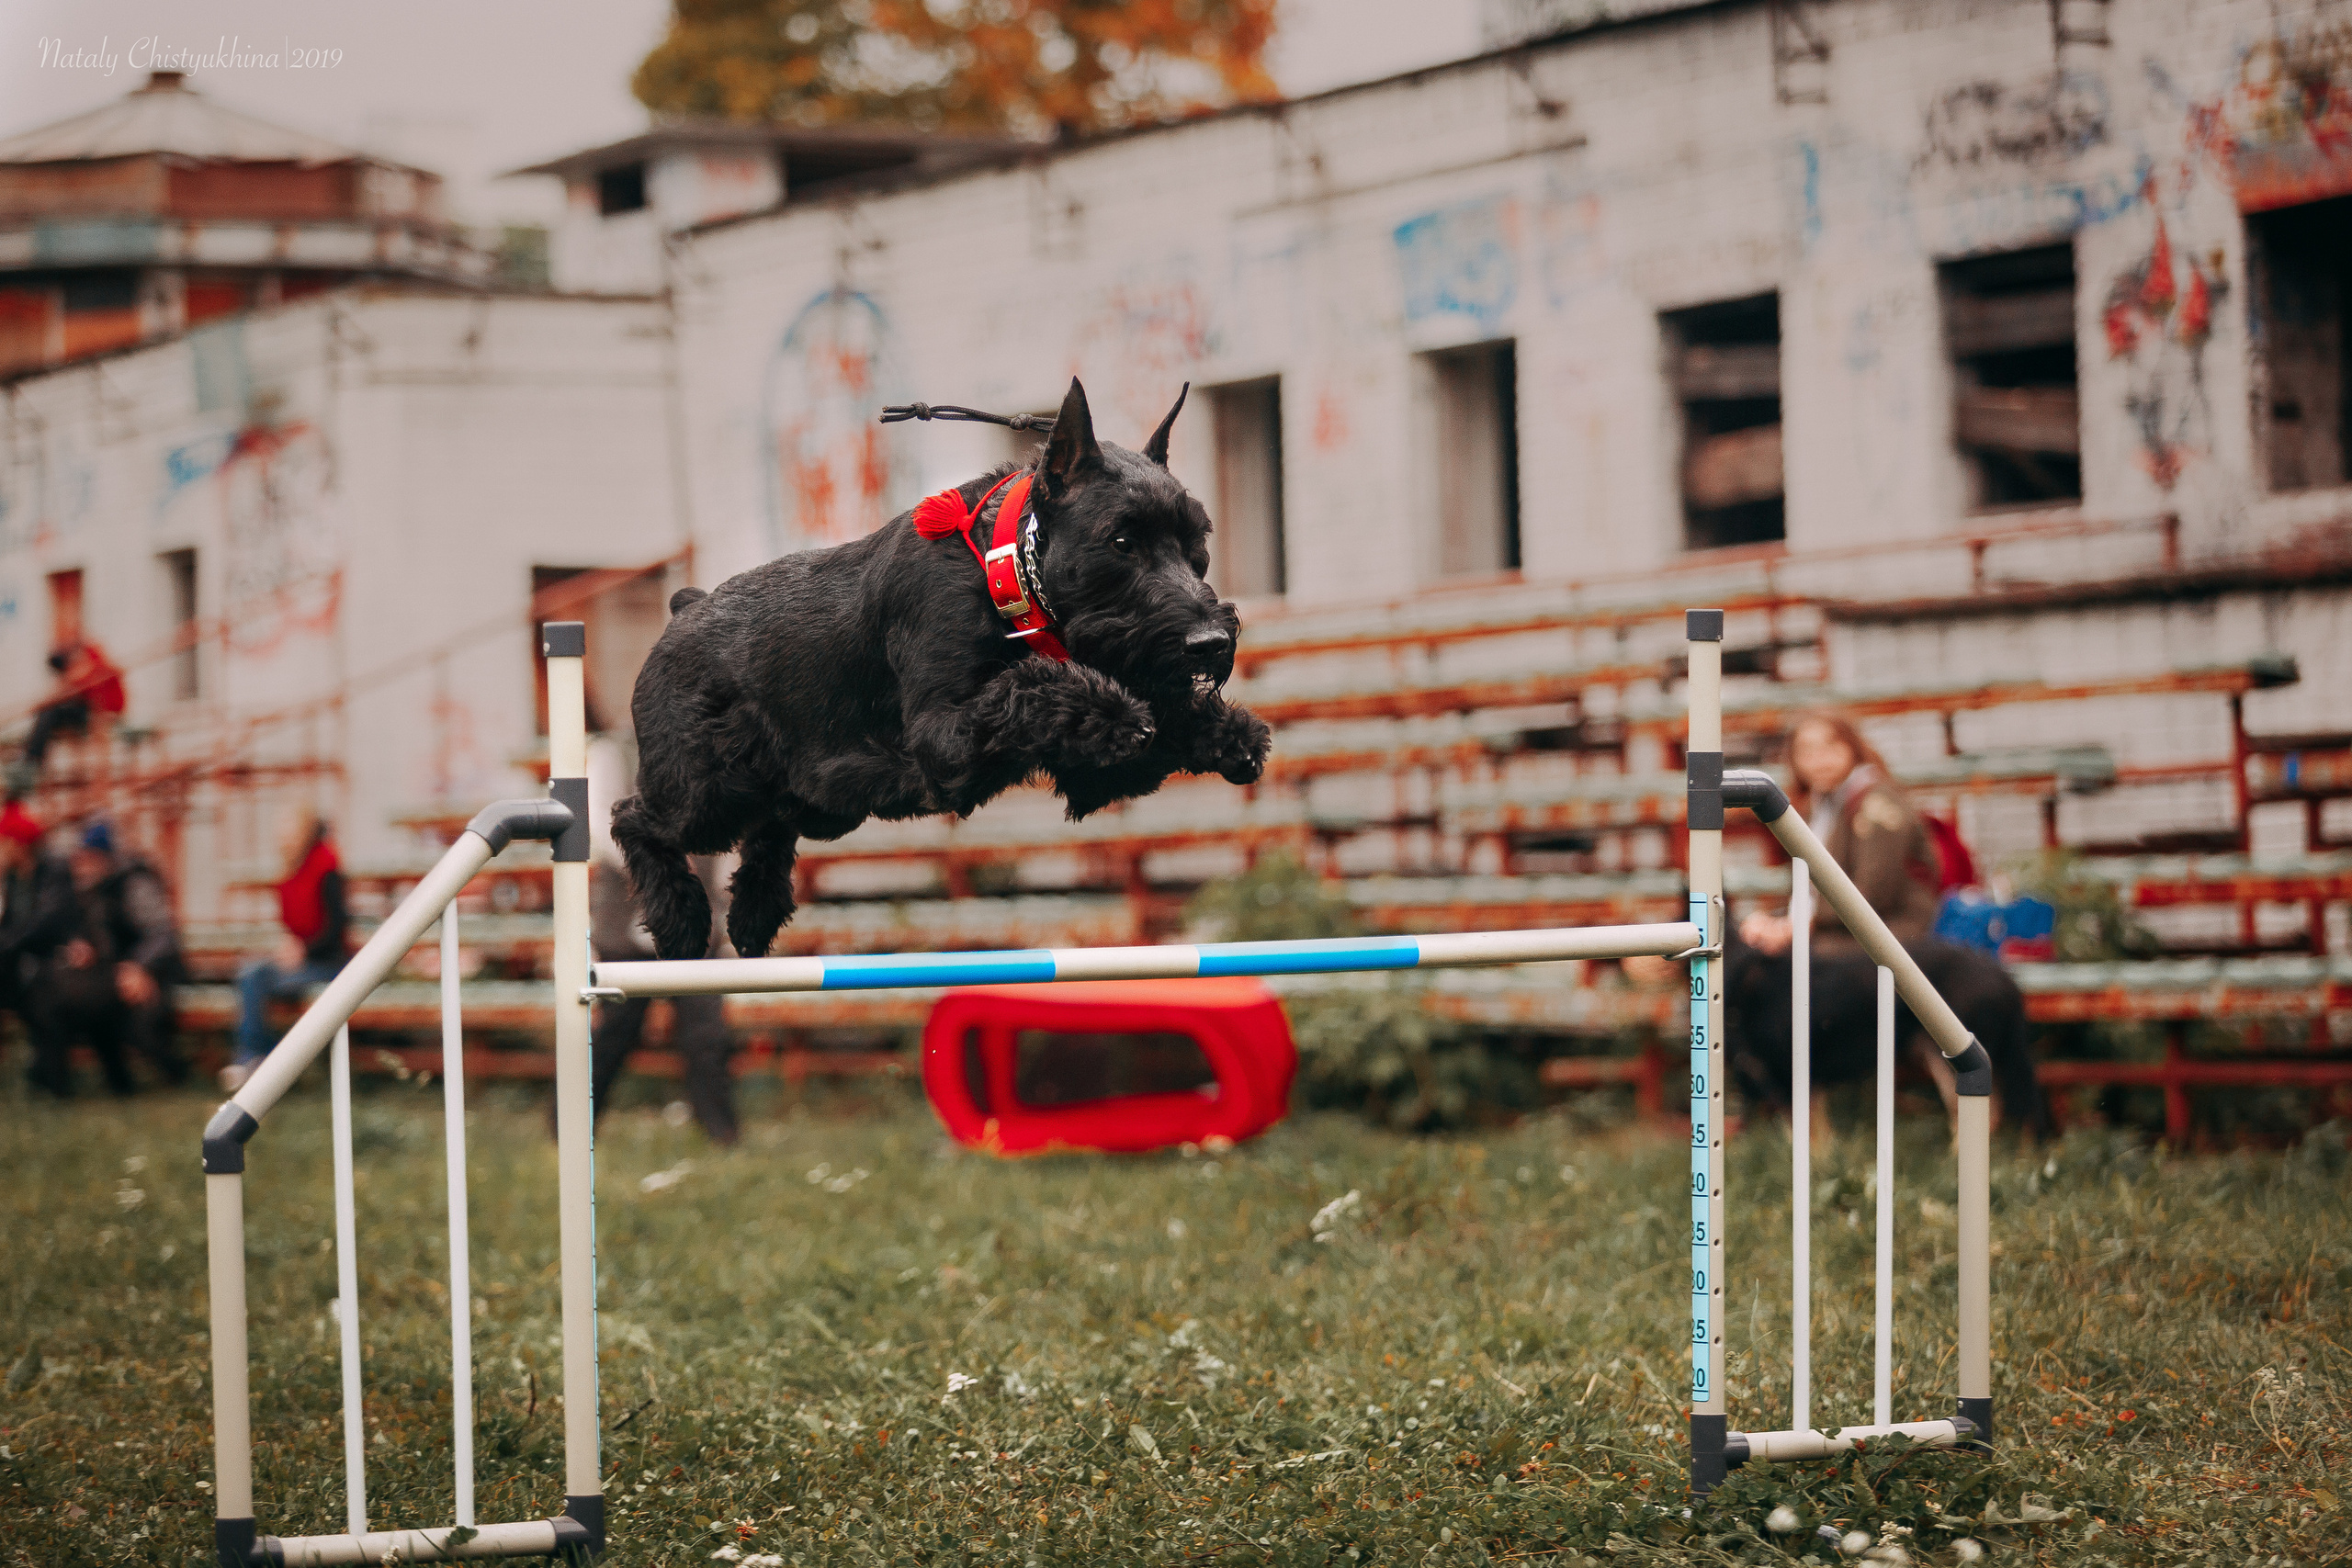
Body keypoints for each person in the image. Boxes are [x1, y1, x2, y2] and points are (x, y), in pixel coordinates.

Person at [580, 737, 738, 1144]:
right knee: (617, 1031)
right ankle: (571, 1126)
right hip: (626, 913)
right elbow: (599, 827)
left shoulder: (713, 749)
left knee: (706, 1033)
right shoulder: (611, 751)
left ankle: (722, 1135)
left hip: (694, 919)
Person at [24, 819, 186, 1096]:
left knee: (53, 997)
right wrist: (79, 946)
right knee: (47, 987)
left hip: (148, 975)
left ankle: (53, 1080)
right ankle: (64, 1079)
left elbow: (163, 934)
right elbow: (96, 935)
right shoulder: (91, 887)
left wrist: (139, 967)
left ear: (103, 856)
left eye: (87, 857)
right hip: (109, 976)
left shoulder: (134, 883)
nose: (80, 864)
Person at [220, 807, 351, 1093]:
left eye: (289, 831)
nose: (283, 838)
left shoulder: (326, 868)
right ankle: (259, 1058)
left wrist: (304, 950)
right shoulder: (292, 872)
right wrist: (290, 947)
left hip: (329, 963)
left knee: (258, 978)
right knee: (251, 971)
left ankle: (259, 1059)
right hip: (303, 962)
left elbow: (338, 927)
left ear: (303, 832)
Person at [0, 806, 77, 1088]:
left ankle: (53, 1078)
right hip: (21, 963)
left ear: (17, 843)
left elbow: (44, 924)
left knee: (43, 1002)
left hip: (53, 962)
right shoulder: (13, 878)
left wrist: (6, 946)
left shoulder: (52, 870)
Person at [21, 637, 128, 770]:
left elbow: (75, 683)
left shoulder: (91, 662)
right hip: (89, 710)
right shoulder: (84, 668)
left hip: (99, 712)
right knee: (47, 714)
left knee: (48, 713)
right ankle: (31, 760)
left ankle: (31, 762)